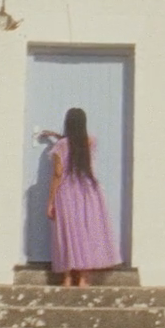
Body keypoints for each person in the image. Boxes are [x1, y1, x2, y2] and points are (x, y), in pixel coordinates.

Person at [46, 107, 121, 286]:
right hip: (89, 192)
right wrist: (58, 136)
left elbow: (58, 173)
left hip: (67, 193)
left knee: (67, 233)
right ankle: (83, 279)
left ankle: (67, 278)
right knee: (86, 232)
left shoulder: (60, 146)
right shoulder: (90, 141)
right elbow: (76, 143)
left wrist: (50, 201)